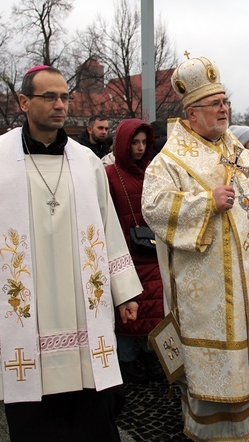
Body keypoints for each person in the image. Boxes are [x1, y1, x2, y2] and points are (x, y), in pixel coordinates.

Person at [0, 65, 143, 441]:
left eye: (64, 96)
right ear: (23, 101)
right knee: (35, 422)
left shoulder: (87, 162)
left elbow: (107, 227)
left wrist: (123, 290)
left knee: (94, 415)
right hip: (23, 312)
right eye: (49, 96)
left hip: (83, 306)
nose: (60, 105)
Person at [142, 55, 249, 441]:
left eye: (225, 102)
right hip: (206, 297)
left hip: (247, 291)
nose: (223, 109)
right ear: (192, 112)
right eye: (215, 104)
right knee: (208, 383)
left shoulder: (240, 152)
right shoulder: (170, 160)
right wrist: (205, 203)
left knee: (240, 382)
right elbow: (154, 207)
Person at [105, 119, 165, 383]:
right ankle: (128, 363)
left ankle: (152, 359)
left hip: (152, 250)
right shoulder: (109, 174)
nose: (140, 148)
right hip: (124, 252)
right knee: (129, 311)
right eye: (134, 142)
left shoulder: (154, 171)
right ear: (123, 144)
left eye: (144, 142)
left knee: (154, 309)